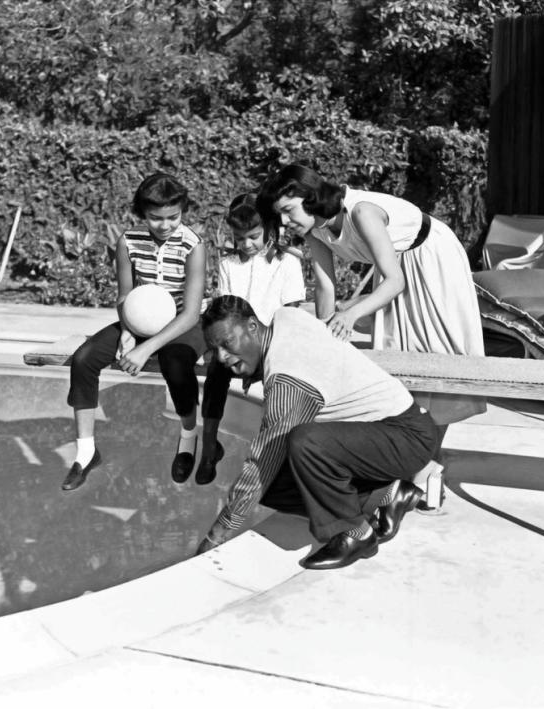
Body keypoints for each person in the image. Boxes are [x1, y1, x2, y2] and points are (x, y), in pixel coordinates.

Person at [257, 164, 486, 509]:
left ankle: (427, 469)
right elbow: (325, 286)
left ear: (311, 196)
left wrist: (351, 315)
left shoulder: (362, 212)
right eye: (281, 215)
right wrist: (323, 339)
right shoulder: (315, 231)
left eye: (289, 210)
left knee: (438, 360)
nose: (286, 221)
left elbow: (395, 281)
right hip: (395, 269)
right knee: (397, 363)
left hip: (431, 260)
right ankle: (415, 461)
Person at [196, 296, 440, 569]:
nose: (221, 356)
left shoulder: (287, 379)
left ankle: (356, 534)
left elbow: (260, 464)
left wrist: (216, 536)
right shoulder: (285, 319)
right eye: (214, 348)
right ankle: (388, 493)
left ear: (253, 326)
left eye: (227, 343)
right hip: (384, 432)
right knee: (274, 485)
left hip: (406, 436)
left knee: (302, 445)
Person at [63, 172, 207, 491]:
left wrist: (144, 349)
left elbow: (191, 313)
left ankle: (187, 439)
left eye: (174, 217)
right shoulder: (127, 241)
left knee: (175, 362)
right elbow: (124, 295)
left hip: (182, 325)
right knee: (84, 359)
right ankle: (86, 452)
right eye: (156, 218)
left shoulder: (193, 246)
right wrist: (128, 331)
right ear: (143, 213)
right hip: (137, 322)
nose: (166, 225)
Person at [196, 193, 306, 485]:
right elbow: (225, 311)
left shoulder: (287, 264)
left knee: (280, 386)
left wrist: (258, 353)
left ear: (270, 228)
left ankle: (277, 452)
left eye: (253, 237)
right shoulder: (229, 265)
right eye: (239, 237)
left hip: (272, 342)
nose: (246, 244)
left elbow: (289, 314)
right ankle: (208, 444)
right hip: (236, 341)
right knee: (216, 371)